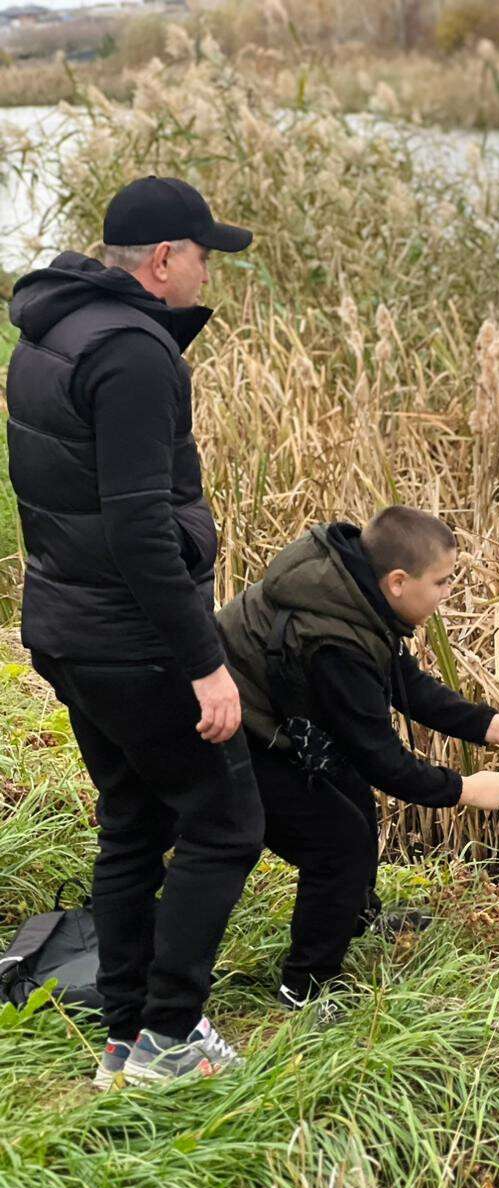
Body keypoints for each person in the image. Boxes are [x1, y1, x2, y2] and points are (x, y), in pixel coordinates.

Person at [6, 177, 265, 1087]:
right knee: (228, 822)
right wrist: (206, 665)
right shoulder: (135, 356)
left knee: (133, 821)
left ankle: (125, 1038)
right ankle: (168, 1037)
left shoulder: (51, 335)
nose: (206, 273)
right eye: (202, 256)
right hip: (132, 639)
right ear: (163, 260)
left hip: (67, 627)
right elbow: (138, 527)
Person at [217, 507, 499, 1010]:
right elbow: (382, 759)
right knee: (338, 841)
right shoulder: (335, 641)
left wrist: (490, 726)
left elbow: (404, 683)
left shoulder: (355, 591)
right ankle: (306, 985)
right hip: (228, 735)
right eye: (441, 582)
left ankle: (355, 914)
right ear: (398, 581)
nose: (447, 594)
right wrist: (464, 790)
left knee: (350, 794)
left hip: (263, 719)